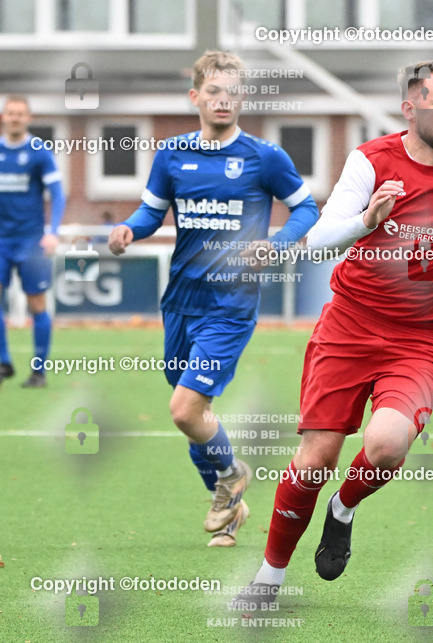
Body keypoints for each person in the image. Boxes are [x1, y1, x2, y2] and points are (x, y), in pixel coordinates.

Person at [231, 60, 433, 609]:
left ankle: (343, 509)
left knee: (384, 447)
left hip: (420, 340)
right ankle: (268, 580)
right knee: (314, 461)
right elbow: (318, 241)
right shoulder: (372, 160)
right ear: (410, 109)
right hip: (350, 326)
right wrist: (366, 220)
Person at [108, 51, 319, 547]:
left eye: (233, 93)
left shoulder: (264, 157)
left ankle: (231, 474)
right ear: (196, 97)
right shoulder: (172, 154)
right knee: (196, 418)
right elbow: (150, 212)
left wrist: (278, 243)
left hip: (230, 304)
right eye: (214, 92)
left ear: (243, 98)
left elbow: (306, 208)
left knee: (184, 409)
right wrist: (126, 230)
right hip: (180, 301)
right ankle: (229, 506)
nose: (223, 101)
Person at [0, 95, 65, 388]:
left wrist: (52, 231)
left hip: (31, 241)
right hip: (1, 240)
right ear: (3, 117)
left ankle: (38, 372)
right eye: (10, 113)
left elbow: (58, 194)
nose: (15, 118)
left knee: (36, 304)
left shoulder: (39, 152)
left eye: (20, 114)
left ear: (28, 118)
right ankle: (4, 363)